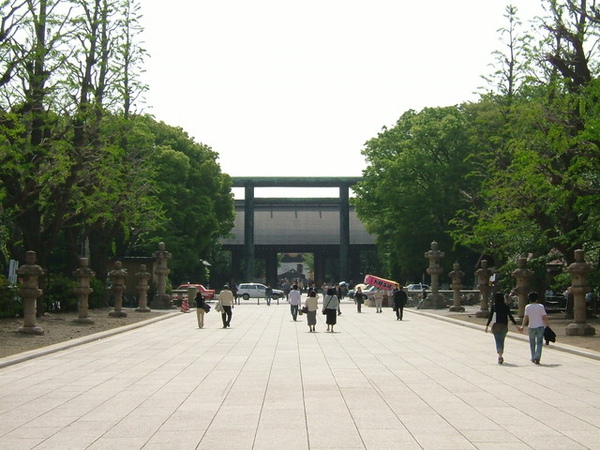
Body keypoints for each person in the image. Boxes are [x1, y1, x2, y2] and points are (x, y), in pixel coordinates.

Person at [485, 292, 519, 364]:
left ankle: (500, 355)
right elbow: (510, 316)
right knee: (502, 341)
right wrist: (516, 325)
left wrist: (487, 326)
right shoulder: (505, 306)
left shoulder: (494, 306)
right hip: (504, 326)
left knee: (498, 341)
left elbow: (490, 316)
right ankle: (501, 353)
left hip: (496, 326)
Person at [521, 291, 549, 364]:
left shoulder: (527, 307)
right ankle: (537, 356)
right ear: (537, 299)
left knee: (532, 342)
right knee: (539, 342)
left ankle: (533, 356)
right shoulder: (540, 306)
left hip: (531, 326)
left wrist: (522, 326)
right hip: (540, 326)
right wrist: (547, 325)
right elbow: (544, 317)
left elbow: (526, 317)